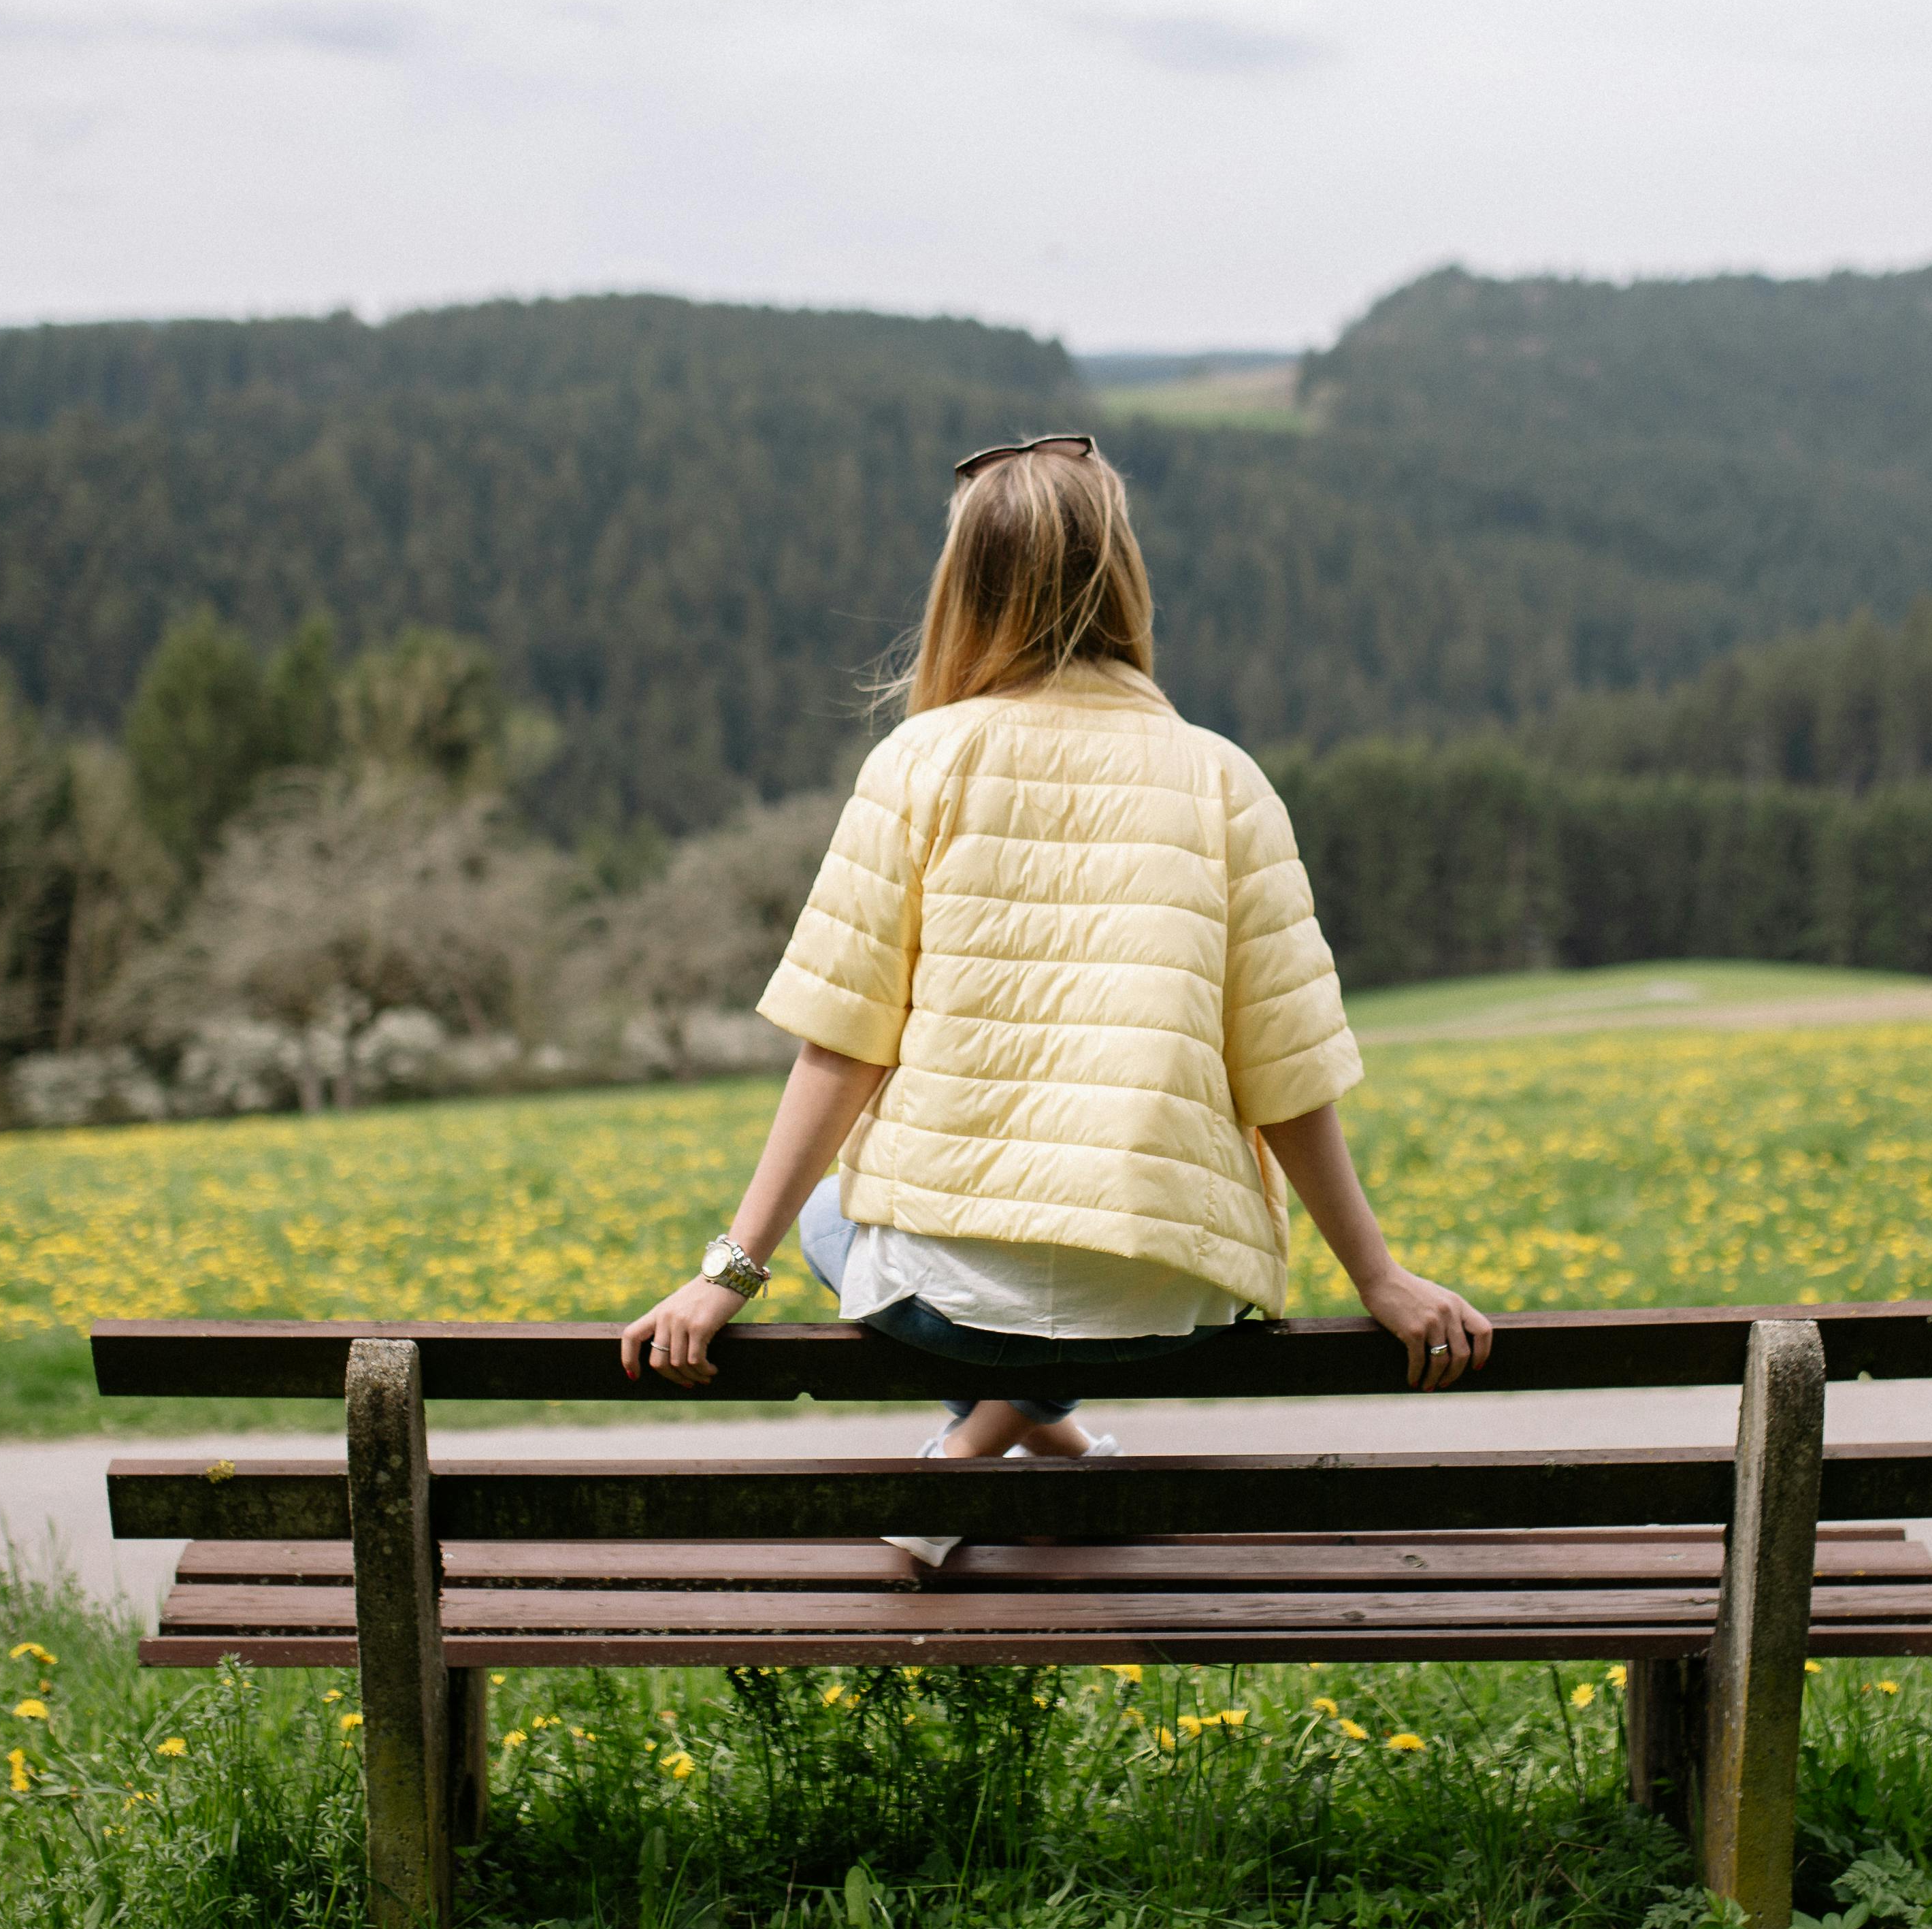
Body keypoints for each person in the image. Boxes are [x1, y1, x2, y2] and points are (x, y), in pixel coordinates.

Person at [617, 432, 1490, 1559]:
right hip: (1169, 1310)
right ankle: (1046, 1443)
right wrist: (1376, 1275)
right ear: (1123, 574)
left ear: (964, 588)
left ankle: (970, 1454)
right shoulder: (1226, 778)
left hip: (948, 1307)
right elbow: (1289, 1073)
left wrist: (725, 1279)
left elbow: (840, 1053)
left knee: (848, 1212)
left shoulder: (920, 762)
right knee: (1066, 1306)